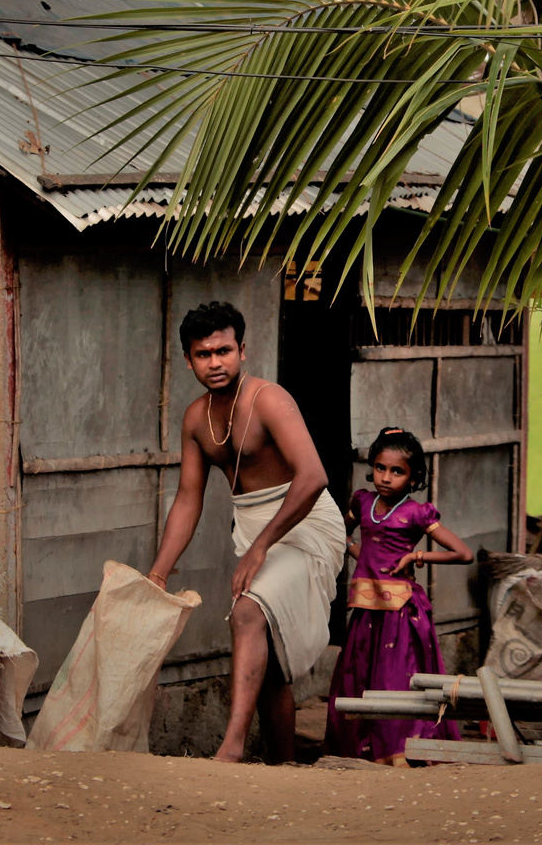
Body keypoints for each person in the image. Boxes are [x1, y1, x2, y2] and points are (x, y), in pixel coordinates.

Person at [146, 300, 346, 763]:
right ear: (189, 359)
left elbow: (314, 476)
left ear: (243, 351)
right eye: (203, 354)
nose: (215, 362)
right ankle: (283, 765)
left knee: (248, 613)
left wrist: (259, 547)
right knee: (269, 659)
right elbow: (189, 497)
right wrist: (157, 573)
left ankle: (231, 749)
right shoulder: (196, 418)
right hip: (259, 529)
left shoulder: (268, 398)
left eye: (224, 350)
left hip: (306, 524)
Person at [325, 426, 474, 765]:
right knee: (358, 676)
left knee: (394, 678)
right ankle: (365, 751)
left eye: (397, 471)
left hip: (401, 611)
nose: (386, 477)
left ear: (413, 477)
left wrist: (415, 557)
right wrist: (355, 551)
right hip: (366, 608)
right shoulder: (362, 502)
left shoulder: (416, 513)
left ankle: (399, 753)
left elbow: (463, 553)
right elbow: (338, 531)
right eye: (380, 468)